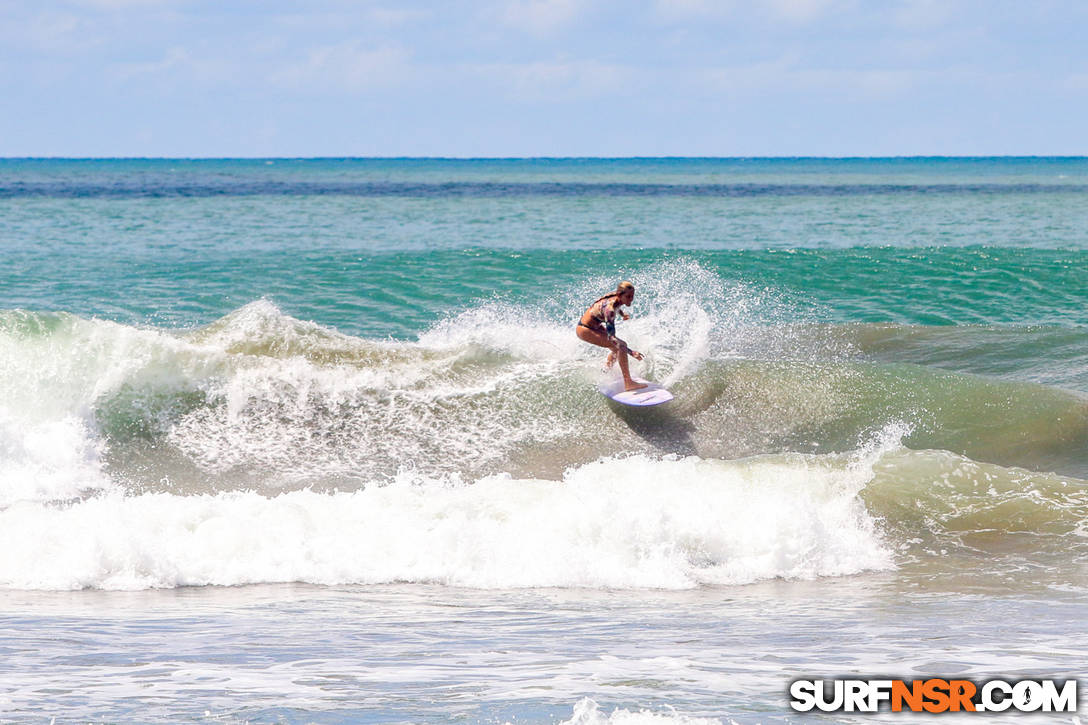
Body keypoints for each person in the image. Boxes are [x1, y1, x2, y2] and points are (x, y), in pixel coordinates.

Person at [576, 281, 647, 391]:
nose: (630, 299)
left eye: (632, 296)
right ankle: (628, 383)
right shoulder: (610, 311)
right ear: (620, 295)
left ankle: (605, 372)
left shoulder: (616, 297)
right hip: (585, 329)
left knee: (616, 349)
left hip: (594, 326)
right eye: (628, 297)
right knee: (621, 346)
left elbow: (617, 304)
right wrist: (631, 352)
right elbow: (611, 338)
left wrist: (622, 314)